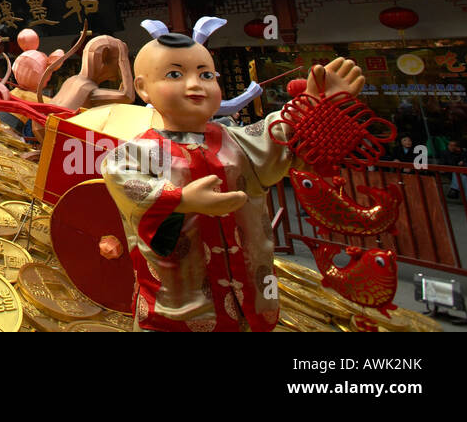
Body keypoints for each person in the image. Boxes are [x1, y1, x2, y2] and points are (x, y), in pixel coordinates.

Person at [102, 23, 363, 332]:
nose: (195, 84)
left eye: (206, 75)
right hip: (178, 307)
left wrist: (311, 104)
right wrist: (181, 199)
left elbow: (277, 134)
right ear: (143, 88)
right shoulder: (136, 153)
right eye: (175, 74)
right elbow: (122, 177)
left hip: (250, 296)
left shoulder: (236, 140)